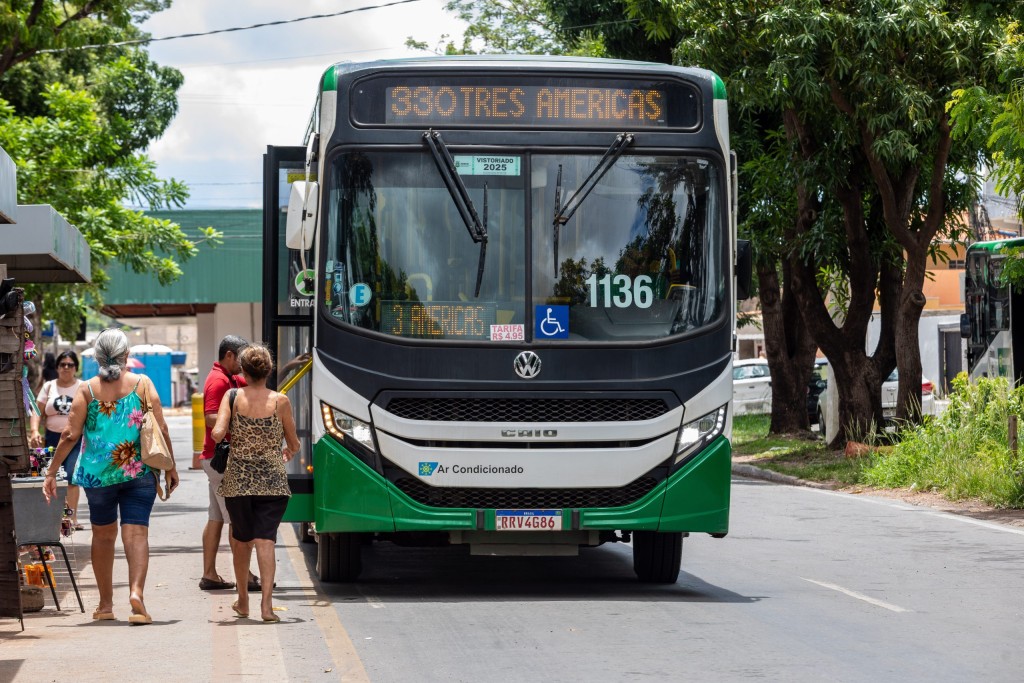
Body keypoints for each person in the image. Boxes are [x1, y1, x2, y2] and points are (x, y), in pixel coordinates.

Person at [42, 328, 179, 624]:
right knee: (137, 532)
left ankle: (105, 605)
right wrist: (171, 467)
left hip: (98, 478)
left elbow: (69, 434)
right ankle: (136, 594)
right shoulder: (142, 384)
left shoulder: (87, 389)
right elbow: (162, 427)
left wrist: (52, 472)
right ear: (126, 355)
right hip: (139, 472)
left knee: (103, 536)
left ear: (97, 357)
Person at [211, 344, 299, 622]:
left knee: (241, 541)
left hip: (238, 482)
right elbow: (294, 443)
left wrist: (222, 432)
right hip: (273, 482)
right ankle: (267, 607)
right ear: (268, 371)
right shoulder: (281, 401)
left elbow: (217, 433)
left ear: (244, 371)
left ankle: (242, 601)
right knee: (266, 541)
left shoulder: (233, 396)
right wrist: (287, 451)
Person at [198, 335, 260, 591]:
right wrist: (242, 421)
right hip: (221, 460)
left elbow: (258, 381)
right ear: (229, 355)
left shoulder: (231, 378)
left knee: (216, 518)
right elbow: (211, 417)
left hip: (215, 459)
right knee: (237, 520)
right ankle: (246, 577)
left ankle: (209, 574)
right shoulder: (219, 381)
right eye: (241, 359)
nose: (243, 364)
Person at [30, 350, 85, 529]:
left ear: (76, 367)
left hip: (75, 439)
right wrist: (34, 431)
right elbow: (37, 411)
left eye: (70, 364)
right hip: (53, 439)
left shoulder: (82, 387)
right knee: (52, 475)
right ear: (57, 367)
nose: (66, 368)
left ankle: (71, 518)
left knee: (71, 476)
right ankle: (54, 517)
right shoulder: (49, 386)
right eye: (63, 364)